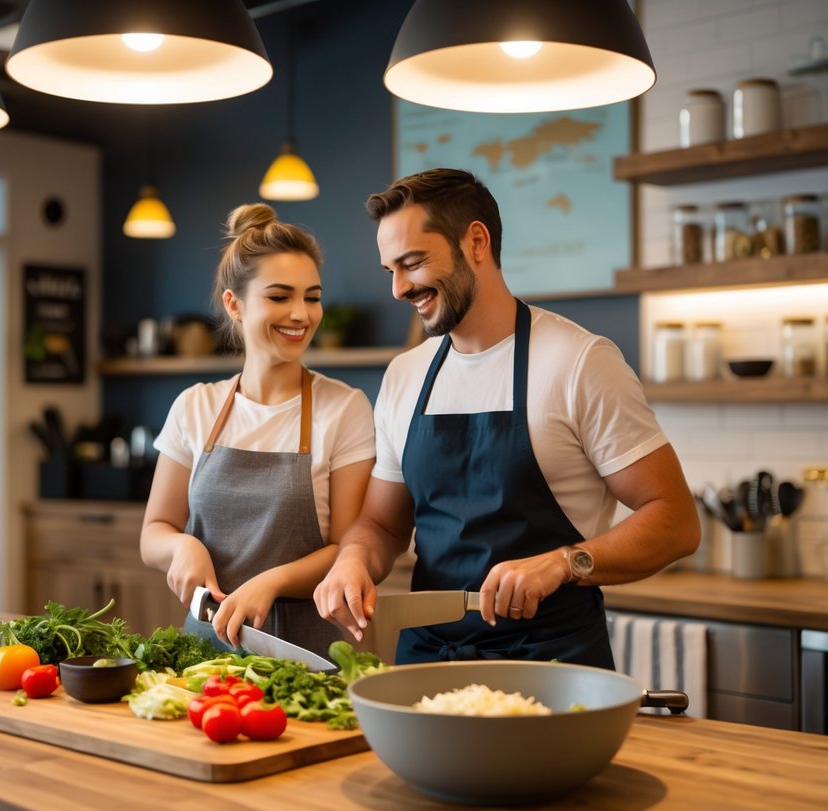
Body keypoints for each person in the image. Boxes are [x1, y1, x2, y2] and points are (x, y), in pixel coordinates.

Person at [314, 168, 699, 667]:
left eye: (413, 263)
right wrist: (353, 560)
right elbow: (382, 525)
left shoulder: (579, 361)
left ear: (476, 241)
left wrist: (566, 563)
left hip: (551, 666)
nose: (399, 289)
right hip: (427, 662)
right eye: (391, 270)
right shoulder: (404, 376)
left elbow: (676, 521)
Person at [141, 203, 375, 659]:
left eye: (312, 296)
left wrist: (271, 582)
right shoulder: (195, 406)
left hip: (307, 651)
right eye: (280, 296)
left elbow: (351, 548)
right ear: (235, 304)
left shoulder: (344, 408)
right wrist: (182, 546)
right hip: (204, 649)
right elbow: (154, 530)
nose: (301, 314)